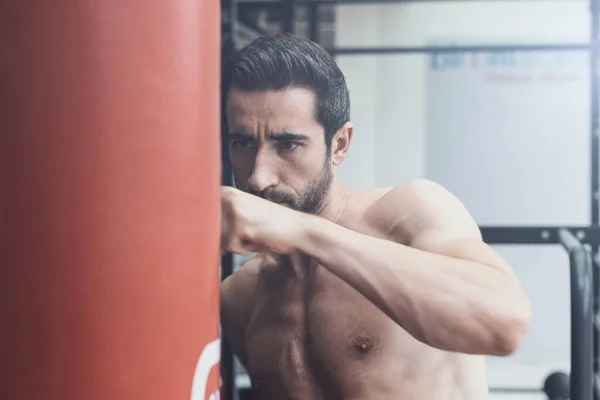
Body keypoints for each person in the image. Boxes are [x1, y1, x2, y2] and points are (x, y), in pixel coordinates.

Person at [219, 33, 532, 400]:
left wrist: (305, 232)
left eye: (288, 145)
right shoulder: (241, 296)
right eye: (242, 143)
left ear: (339, 145)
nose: (258, 176)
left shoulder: (410, 213)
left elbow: (504, 324)